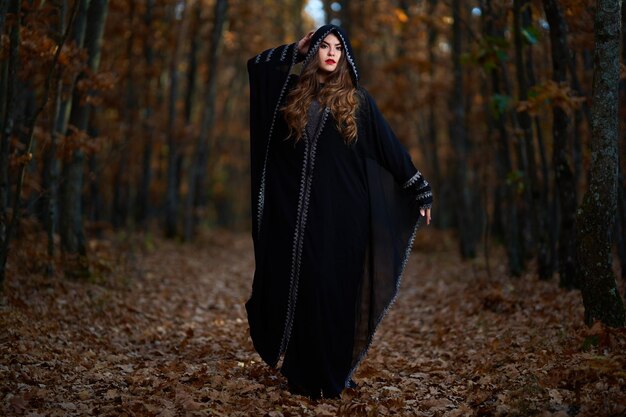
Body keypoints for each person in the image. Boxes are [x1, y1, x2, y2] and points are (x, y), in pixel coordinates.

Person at [246, 24, 433, 399]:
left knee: (336, 292)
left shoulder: (357, 101)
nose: (331, 53)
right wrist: (295, 50)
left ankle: (333, 373)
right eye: (323, 46)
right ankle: (301, 373)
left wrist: (419, 189)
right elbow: (257, 68)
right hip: (298, 219)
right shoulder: (292, 95)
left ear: (345, 57)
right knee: (306, 288)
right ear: (314, 52)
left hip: (346, 215)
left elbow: (390, 149)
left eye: (338, 48)